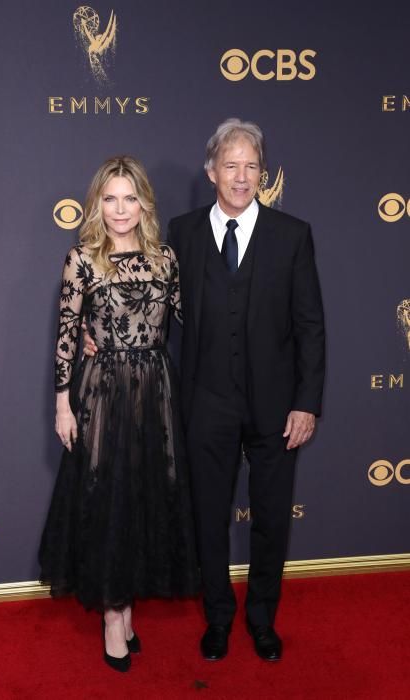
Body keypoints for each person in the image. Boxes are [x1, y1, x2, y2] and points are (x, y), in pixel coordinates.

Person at [84, 119, 326, 663]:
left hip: (276, 409)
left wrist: (306, 401)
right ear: (211, 171)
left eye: (252, 167)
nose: (242, 177)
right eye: (231, 166)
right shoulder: (182, 233)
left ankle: (262, 620)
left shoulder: (293, 235)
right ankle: (218, 618)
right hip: (205, 404)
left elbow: (311, 326)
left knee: (270, 521)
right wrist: (91, 328)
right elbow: (145, 301)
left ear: (263, 173)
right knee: (208, 519)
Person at [39, 156, 199, 673]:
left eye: (130, 197)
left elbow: (188, 322)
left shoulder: (166, 259)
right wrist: (62, 404)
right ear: (97, 204)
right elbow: (66, 338)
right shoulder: (82, 258)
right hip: (102, 393)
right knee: (109, 500)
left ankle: (127, 608)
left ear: (144, 203)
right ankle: (113, 617)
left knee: (145, 497)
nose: (120, 209)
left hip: (156, 391)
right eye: (110, 198)